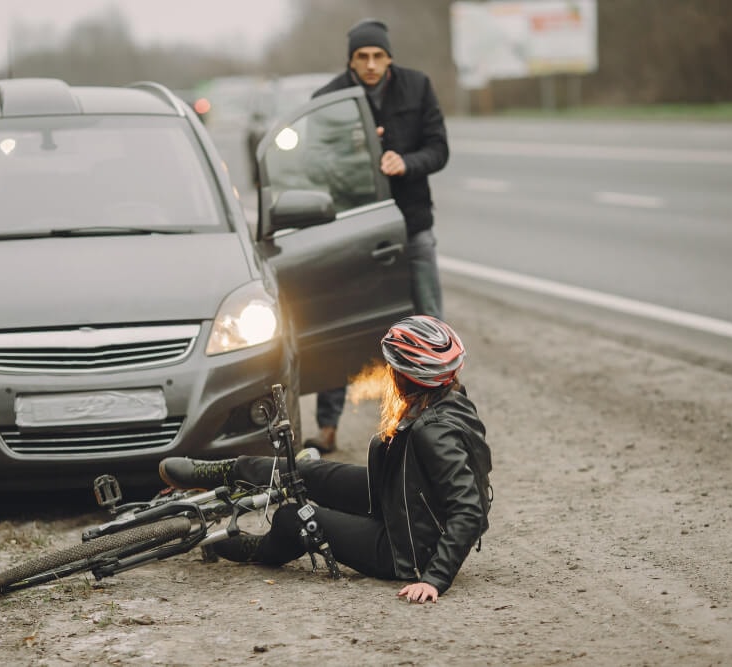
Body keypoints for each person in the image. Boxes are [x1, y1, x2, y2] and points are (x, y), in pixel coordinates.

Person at [159, 315, 490, 603]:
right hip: (399, 502)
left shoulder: (434, 431)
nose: (389, 371)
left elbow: (469, 508)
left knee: (295, 517)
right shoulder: (445, 400)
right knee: (306, 471)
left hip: (403, 549)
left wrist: (434, 579)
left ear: (411, 375)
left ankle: (258, 549)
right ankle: (220, 471)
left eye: (394, 367)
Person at [304, 18, 450, 454]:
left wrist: (406, 162)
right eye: (361, 57)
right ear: (350, 60)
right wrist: (357, 158)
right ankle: (327, 426)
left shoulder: (417, 87)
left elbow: (439, 148)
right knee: (338, 324)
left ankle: (441, 414)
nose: (370, 64)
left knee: (428, 320)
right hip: (350, 230)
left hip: (411, 224)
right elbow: (315, 166)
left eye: (378, 56)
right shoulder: (326, 101)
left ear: (389, 58)